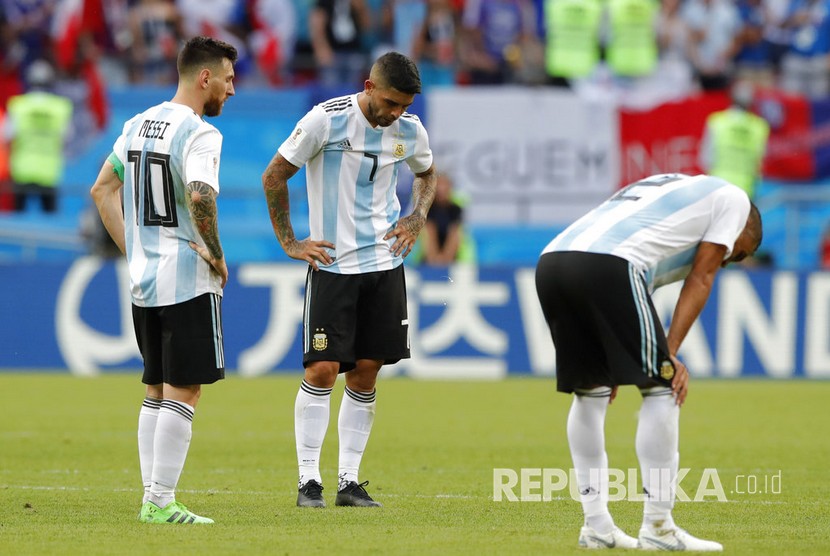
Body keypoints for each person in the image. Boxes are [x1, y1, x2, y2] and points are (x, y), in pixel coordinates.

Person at [535, 173, 762, 551]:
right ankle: (659, 525)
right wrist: (669, 355)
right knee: (664, 387)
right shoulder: (735, 201)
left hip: (555, 261)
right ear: (746, 230)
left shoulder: (668, 189)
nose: (727, 261)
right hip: (611, 265)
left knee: (591, 393)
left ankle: (597, 526)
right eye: (737, 254)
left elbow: (629, 300)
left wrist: (624, 355)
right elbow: (702, 277)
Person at [261, 51, 436, 508]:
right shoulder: (325, 120)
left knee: (365, 373)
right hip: (334, 266)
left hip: (385, 265)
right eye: (392, 102)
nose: (397, 112)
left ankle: (349, 482)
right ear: (369, 86)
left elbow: (427, 173)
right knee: (321, 370)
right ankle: (307, 482)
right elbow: (274, 176)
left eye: (405, 105)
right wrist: (291, 242)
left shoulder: (410, 130)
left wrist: (417, 216)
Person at [90, 35, 237, 524]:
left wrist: (135, 248)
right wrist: (216, 255)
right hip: (186, 276)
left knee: (156, 386)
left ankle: (153, 498)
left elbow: (101, 189)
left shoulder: (136, 124)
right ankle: (160, 500)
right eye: (228, 79)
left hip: (144, 278)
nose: (232, 90)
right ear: (204, 78)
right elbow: (199, 195)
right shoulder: (200, 133)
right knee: (185, 388)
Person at [5, 59, 73, 213]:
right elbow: (67, 138)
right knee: (50, 224)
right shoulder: (60, 107)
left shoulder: (18, 105)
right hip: (49, 171)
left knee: (17, 220)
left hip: (22, 170)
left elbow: (7, 136)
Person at [699, 79, 769, 200]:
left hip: (718, 185)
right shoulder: (760, 126)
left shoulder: (717, 121)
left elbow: (705, 158)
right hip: (746, 188)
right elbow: (760, 161)